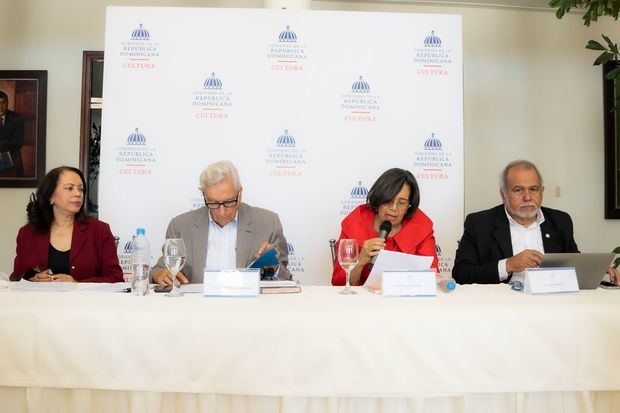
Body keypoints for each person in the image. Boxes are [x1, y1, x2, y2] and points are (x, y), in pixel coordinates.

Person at [452, 159, 620, 284]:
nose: (527, 197)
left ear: (542, 192)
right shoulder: (480, 223)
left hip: (552, 303)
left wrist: (595, 269)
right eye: (518, 190)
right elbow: (461, 273)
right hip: (502, 308)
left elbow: (572, 260)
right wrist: (508, 265)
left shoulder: (560, 221)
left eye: (533, 189)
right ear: (503, 195)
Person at [151, 160, 291, 285]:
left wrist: (274, 266)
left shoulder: (268, 223)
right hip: (197, 308)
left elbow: (285, 277)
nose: (222, 211)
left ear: (240, 193)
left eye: (229, 201)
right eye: (213, 202)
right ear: (204, 195)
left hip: (248, 308)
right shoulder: (180, 226)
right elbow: (160, 269)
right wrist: (159, 274)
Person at [11, 166, 123, 282]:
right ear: (50, 195)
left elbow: (116, 279)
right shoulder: (27, 233)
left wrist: (77, 284)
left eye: (81, 189)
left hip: (85, 300)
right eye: (70, 188)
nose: (78, 194)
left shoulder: (100, 230)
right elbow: (15, 277)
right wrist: (33, 279)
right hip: (40, 300)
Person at [332, 168, 438, 286]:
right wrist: (360, 261)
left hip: (407, 301)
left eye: (401, 203)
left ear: (409, 206)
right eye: (388, 201)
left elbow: (431, 277)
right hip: (363, 301)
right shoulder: (355, 224)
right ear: (378, 200)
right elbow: (339, 284)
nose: (393, 208)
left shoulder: (421, 227)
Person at [0, 90, 25, 177]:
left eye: (3, 102)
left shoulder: (18, 118)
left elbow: (18, 142)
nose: (0, 106)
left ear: (7, 103)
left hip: (13, 159)